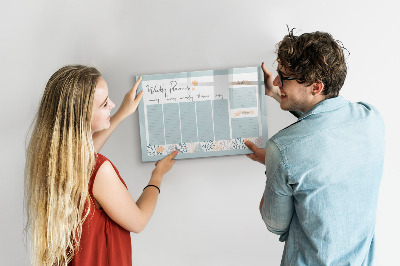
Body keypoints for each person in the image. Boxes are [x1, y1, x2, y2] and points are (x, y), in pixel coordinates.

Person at [245, 30, 385, 265]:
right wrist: (278, 94)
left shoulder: (282, 149)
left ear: (316, 87)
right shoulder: (371, 118)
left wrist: (273, 163)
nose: (277, 81)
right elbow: (325, 123)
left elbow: (275, 224)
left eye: (284, 77)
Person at [24, 65, 178, 266]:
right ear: (82, 117)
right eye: (105, 104)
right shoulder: (100, 170)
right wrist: (157, 175)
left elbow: (86, 157)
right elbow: (138, 221)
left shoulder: (53, 159)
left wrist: (122, 113)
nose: (113, 104)